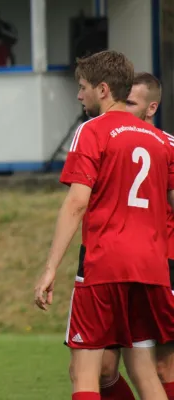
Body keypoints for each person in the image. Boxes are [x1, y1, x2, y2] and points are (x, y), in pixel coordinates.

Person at [34, 51, 174, 400]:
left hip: (105, 264)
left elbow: (77, 202)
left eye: (82, 88)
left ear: (102, 89)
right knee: (144, 370)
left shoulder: (92, 131)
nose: (79, 96)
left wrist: (50, 268)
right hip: (153, 269)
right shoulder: (159, 141)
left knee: (85, 372)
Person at [99, 72, 174, 400]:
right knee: (103, 368)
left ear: (151, 107)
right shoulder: (109, 142)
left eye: (131, 102)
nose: (122, 108)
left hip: (164, 264)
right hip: (118, 264)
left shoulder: (168, 146)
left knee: (160, 367)